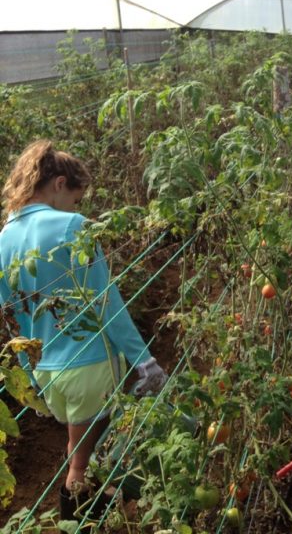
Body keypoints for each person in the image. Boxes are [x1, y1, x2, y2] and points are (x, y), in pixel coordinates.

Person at [0, 140, 168, 523]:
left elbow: (11, 321)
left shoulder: (2, 239)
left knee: (79, 449)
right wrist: (144, 361)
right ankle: (83, 521)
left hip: (48, 375)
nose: (77, 209)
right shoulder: (72, 227)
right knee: (82, 466)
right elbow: (106, 301)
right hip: (89, 366)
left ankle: (92, 512)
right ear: (59, 184)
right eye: (76, 199)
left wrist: (32, 382)